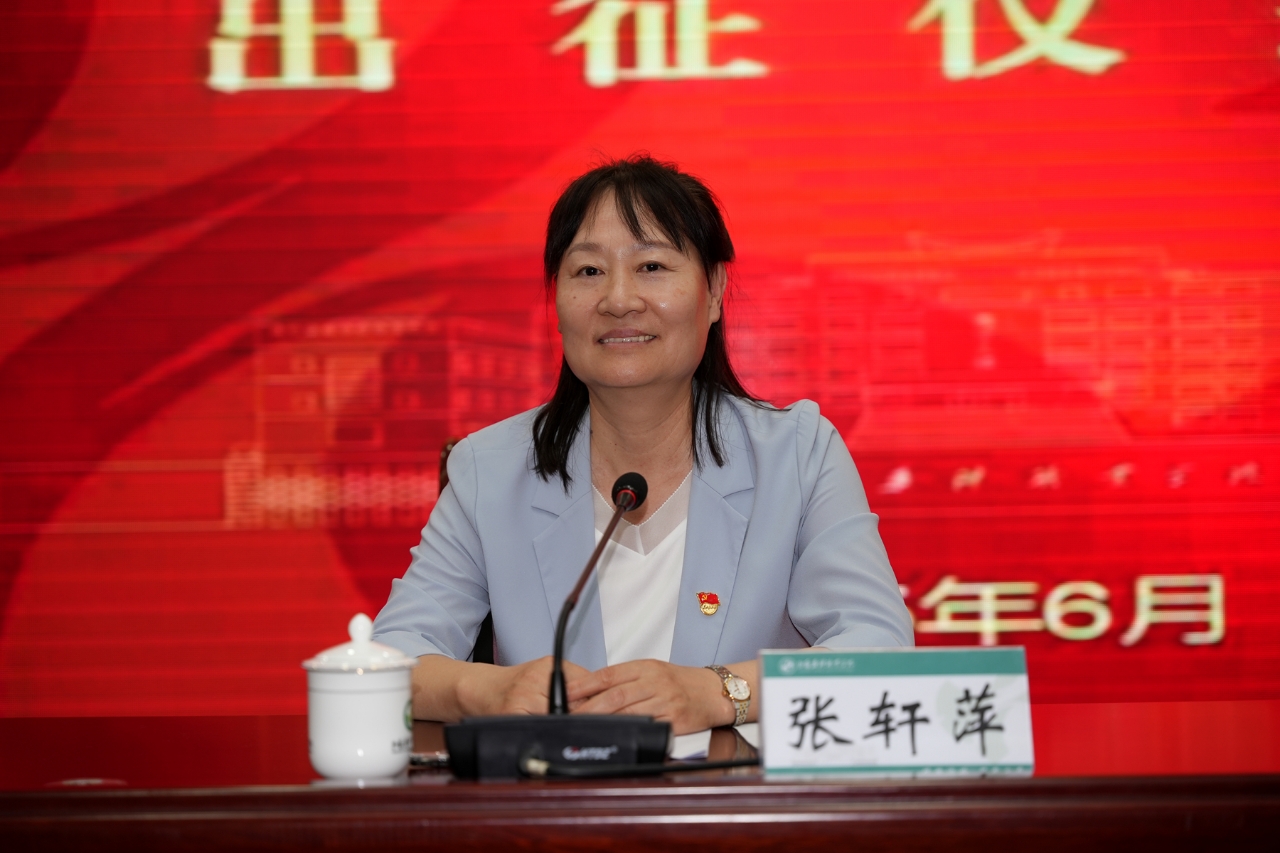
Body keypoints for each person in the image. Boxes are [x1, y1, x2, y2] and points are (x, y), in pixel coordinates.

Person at [373, 155, 912, 735]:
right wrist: (490, 690)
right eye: (588, 271)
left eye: (652, 266)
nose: (619, 299)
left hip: (740, 789)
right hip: (557, 790)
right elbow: (389, 660)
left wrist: (717, 692)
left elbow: (880, 647)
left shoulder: (797, 455)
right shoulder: (489, 469)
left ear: (714, 292)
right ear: (557, 303)